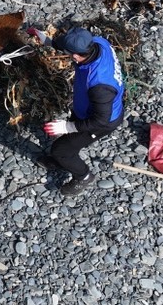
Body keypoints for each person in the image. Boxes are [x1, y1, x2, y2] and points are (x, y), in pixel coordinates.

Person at [34, 27, 125, 197]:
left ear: (76, 56)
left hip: (101, 122)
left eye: (70, 54)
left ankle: (83, 176)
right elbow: (66, 44)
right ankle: (63, 160)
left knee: (60, 149)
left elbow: (101, 121)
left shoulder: (100, 85)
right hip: (87, 107)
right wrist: (46, 40)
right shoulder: (98, 42)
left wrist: (68, 127)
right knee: (69, 140)